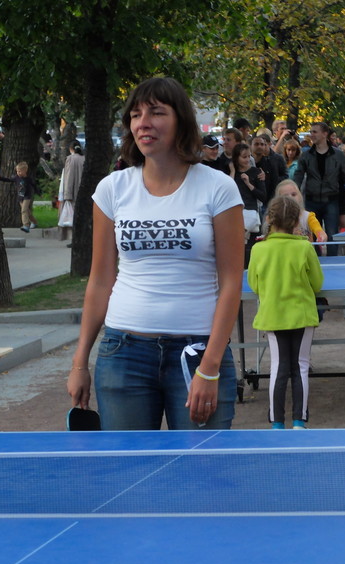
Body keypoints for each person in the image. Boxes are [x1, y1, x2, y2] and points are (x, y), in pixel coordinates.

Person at [67, 77, 244, 430]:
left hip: (197, 354)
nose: (143, 122)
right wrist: (79, 362)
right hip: (123, 354)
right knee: (129, 474)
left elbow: (230, 283)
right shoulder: (112, 189)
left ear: (181, 120)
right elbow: (101, 279)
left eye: (156, 112)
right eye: (135, 115)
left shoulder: (218, 188)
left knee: (201, 475)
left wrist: (209, 368)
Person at [247, 196, 323, 429]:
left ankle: (276, 423)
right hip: (302, 316)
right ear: (295, 222)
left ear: (268, 219)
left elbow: (254, 285)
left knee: (278, 368)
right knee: (300, 366)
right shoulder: (304, 247)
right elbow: (317, 283)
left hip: (273, 316)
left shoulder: (259, 249)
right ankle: (299, 421)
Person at [293, 122, 345, 255]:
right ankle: (316, 262)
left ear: (325, 134)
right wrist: (293, 195)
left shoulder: (338, 155)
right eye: (311, 132)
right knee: (313, 234)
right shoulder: (306, 155)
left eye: (315, 132)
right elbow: (298, 176)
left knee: (332, 234)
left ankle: (332, 262)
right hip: (312, 200)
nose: (311, 135)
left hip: (331, 200)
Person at [232, 142, 266, 266]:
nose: (247, 159)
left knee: (248, 248)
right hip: (235, 213)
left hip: (250, 211)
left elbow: (263, 196)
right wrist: (232, 171)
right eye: (244, 157)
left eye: (248, 156)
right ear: (237, 158)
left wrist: (249, 184)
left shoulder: (256, 172)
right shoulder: (232, 173)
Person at [273, 180, 327, 244]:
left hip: (305, 252)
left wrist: (321, 236)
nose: (291, 198)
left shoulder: (308, 216)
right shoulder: (276, 218)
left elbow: (318, 230)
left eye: (293, 194)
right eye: (286, 196)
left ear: (300, 195)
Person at [0, 161, 38, 233]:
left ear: (25, 171)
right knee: (27, 212)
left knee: (23, 211)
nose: (18, 173)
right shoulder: (16, 178)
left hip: (27, 197)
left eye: (20, 171)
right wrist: (0, 178)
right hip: (20, 198)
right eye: (17, 171)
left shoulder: (28, 179)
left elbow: (34, 185)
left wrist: (38, 192)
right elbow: (9, 180)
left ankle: (26, 225)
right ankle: (34, 222)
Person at [58, 140, 84, 241]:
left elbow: (68, 178)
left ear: (71, 149)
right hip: (83, 193)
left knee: (72, 218)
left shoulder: (70, 159)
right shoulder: (84, 158)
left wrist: (67, 195)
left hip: (73, 193)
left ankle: (73, 239)